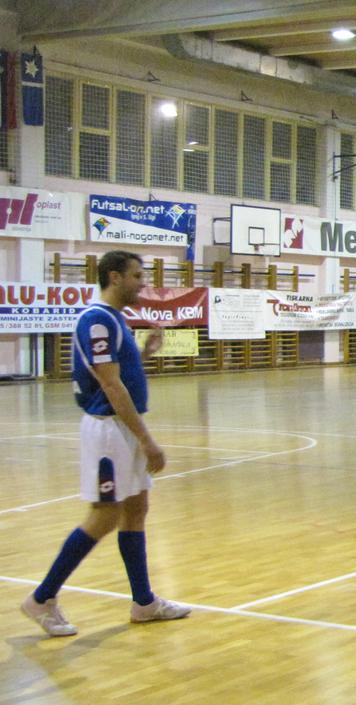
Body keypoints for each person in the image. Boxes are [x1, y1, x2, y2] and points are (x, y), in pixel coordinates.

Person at [21, 251, 190, 637]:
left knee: (136, 509)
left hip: (123, 429)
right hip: (108, 431)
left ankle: (144, 602)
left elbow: (119, 375)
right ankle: (42, 599)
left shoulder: (115, 319)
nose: (143, 282)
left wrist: (144, 353)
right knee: (104, 516)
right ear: (114, 277)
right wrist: (147, 441)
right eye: (137, 275)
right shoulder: (96, 319)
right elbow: (111, 386)